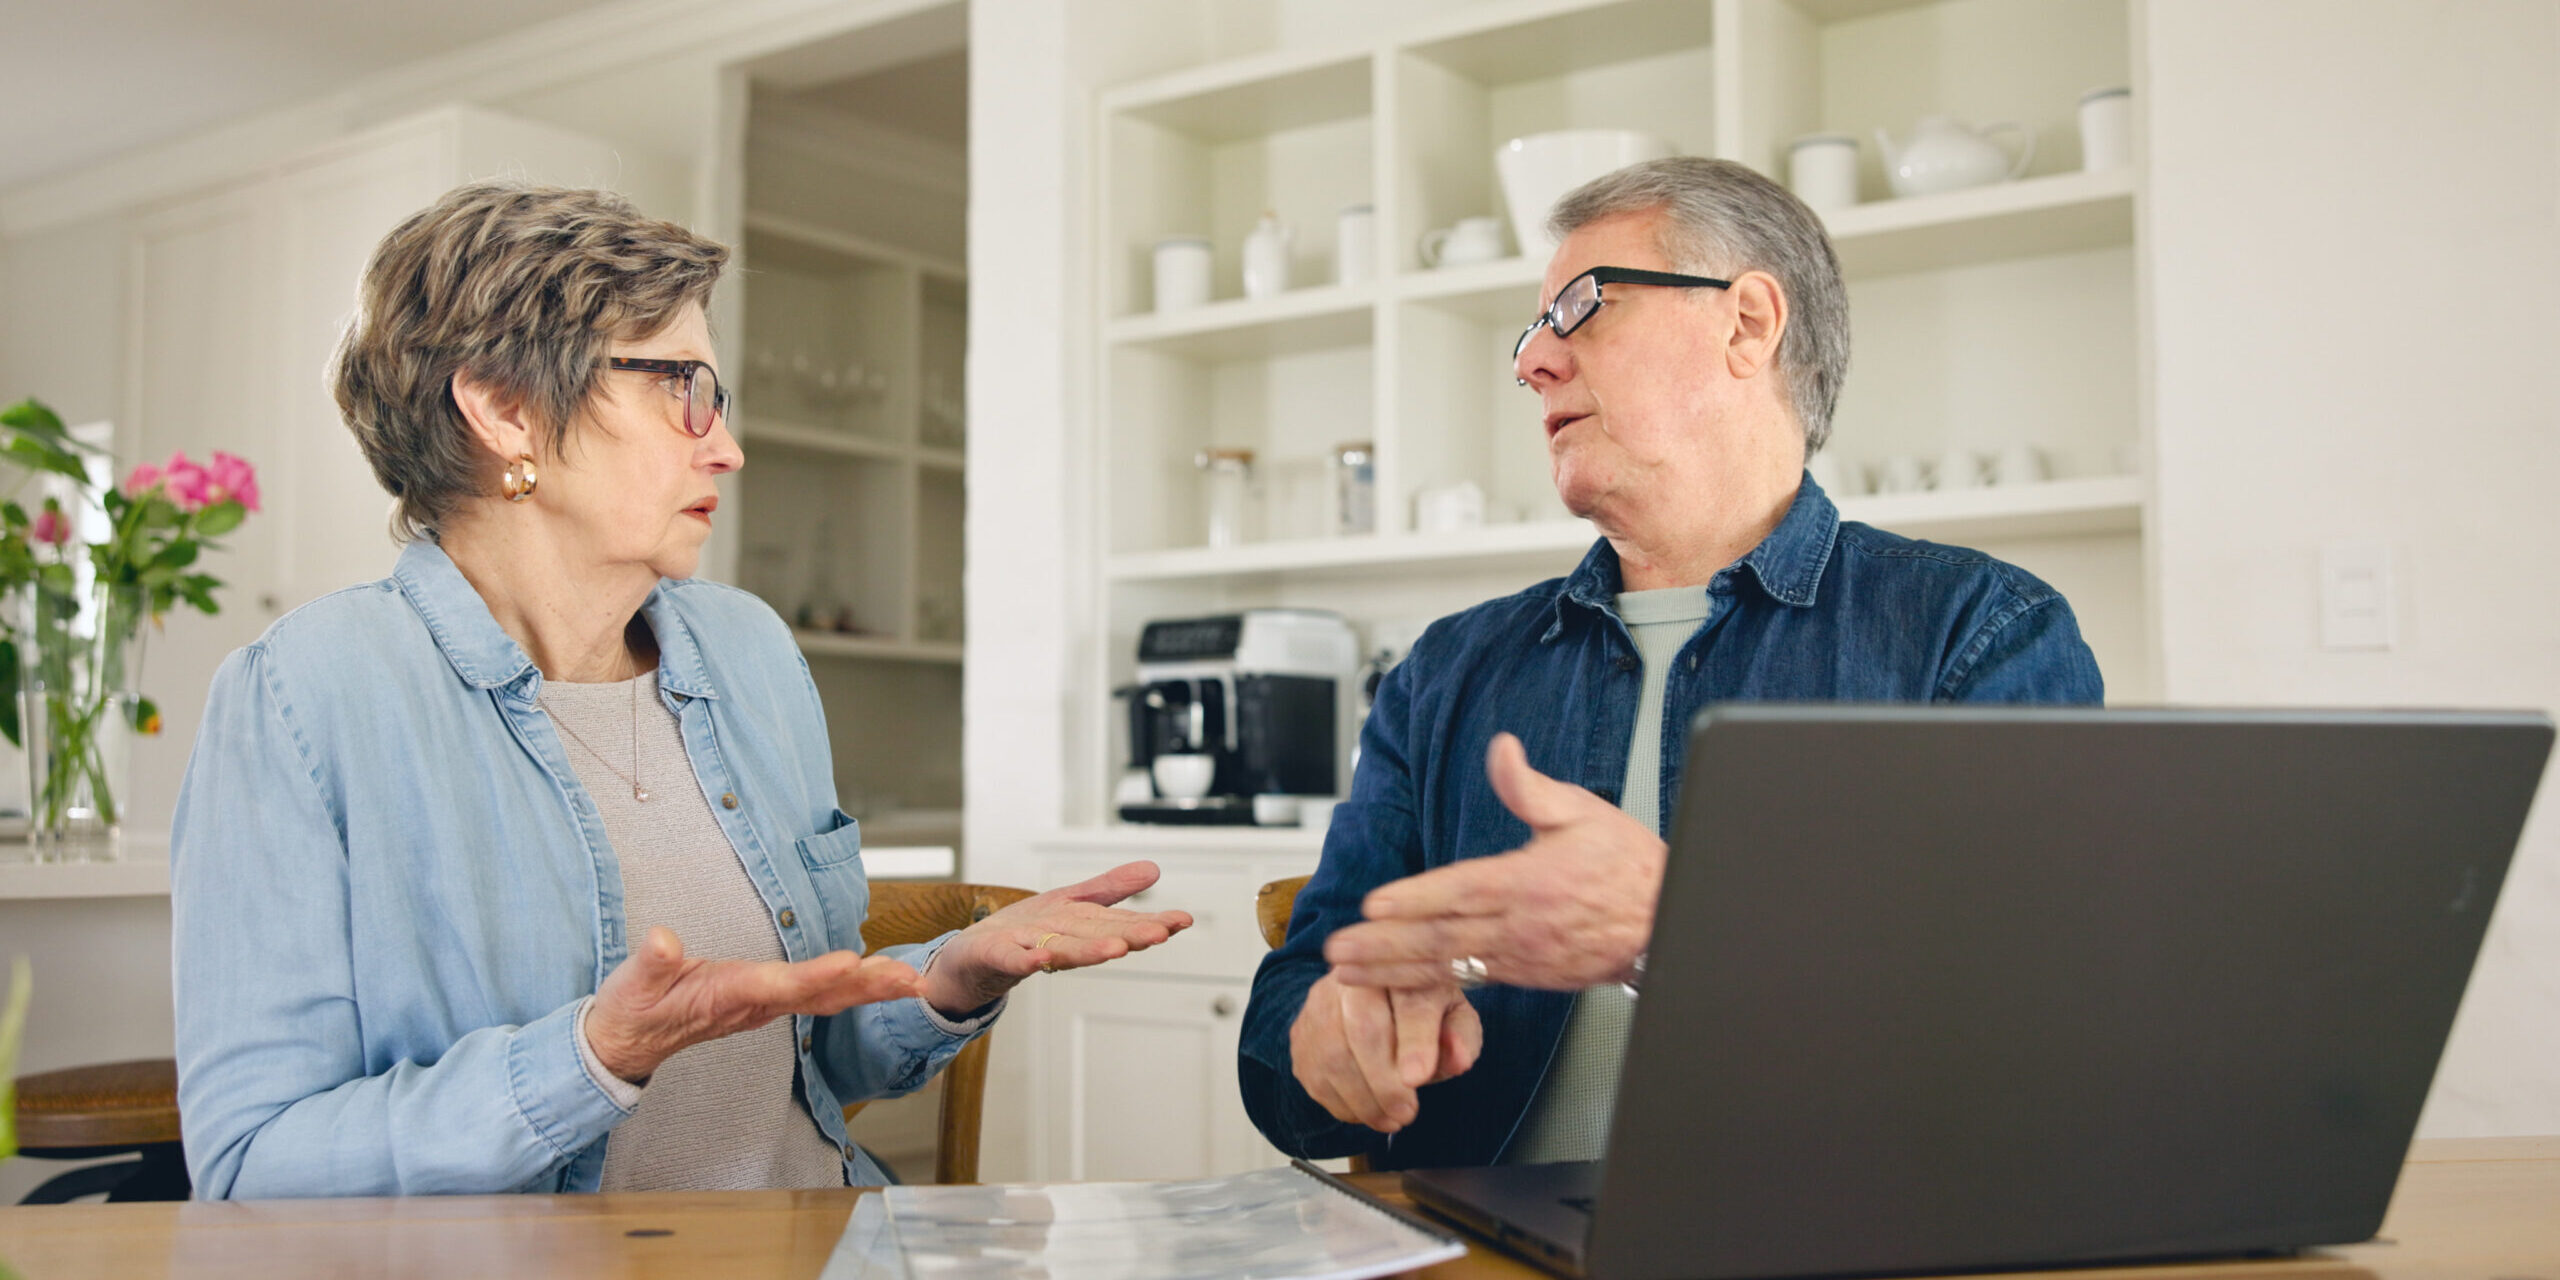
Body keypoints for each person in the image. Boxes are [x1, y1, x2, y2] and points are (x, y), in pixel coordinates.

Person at [171, 181, 1191, 1199]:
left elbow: (803, 1070)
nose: (727, 445)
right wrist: (593, 1056)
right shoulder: (304, 699)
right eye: (680, 386)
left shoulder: (748, 650)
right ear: (503, 406)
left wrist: (943, 982)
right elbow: (254, 1167)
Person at [1239, 157, 2104, 1169]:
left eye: (1579, 308)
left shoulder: (1977, 633)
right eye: (1532, 336)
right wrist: (1330, 1039)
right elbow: (1279, 1050)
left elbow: (2041, 1046)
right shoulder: (1445, 669)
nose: (1534, 365)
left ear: (1747, 322)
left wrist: (1674, 927)